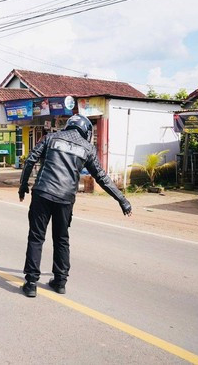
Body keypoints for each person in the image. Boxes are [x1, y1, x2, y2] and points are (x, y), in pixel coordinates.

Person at [18, 114, 132, 298]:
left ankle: (31, 283)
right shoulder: (87, 148)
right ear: (86, 131)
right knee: (61, 239)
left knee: (36, 238)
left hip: (43, 193)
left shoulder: (50, 138)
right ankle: (60, 282)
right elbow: (101, 177)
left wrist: (23, 187)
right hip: (65, 199)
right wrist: (122, 200)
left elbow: (30, 159)